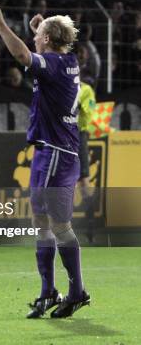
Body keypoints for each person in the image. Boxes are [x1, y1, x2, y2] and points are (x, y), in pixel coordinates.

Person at [0, 6, 90, 318]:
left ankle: (76, 291)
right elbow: (41, 53)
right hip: (52, 151)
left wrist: (0, 24)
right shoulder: (66, 60)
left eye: (38, 36)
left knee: (58, 225)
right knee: (42, 223)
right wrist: (41, 33)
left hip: (56, 153)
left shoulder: (54, 64)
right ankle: (49, 290)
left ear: (46, 39)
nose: (34, 40)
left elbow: (23, 57)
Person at [76, 81, 97, 243]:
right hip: (60, 136)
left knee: (84, 182)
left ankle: (90, 225)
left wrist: (75, 104)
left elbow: (89, 112)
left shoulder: (86, 90)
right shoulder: (60, 84)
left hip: (78, 136)